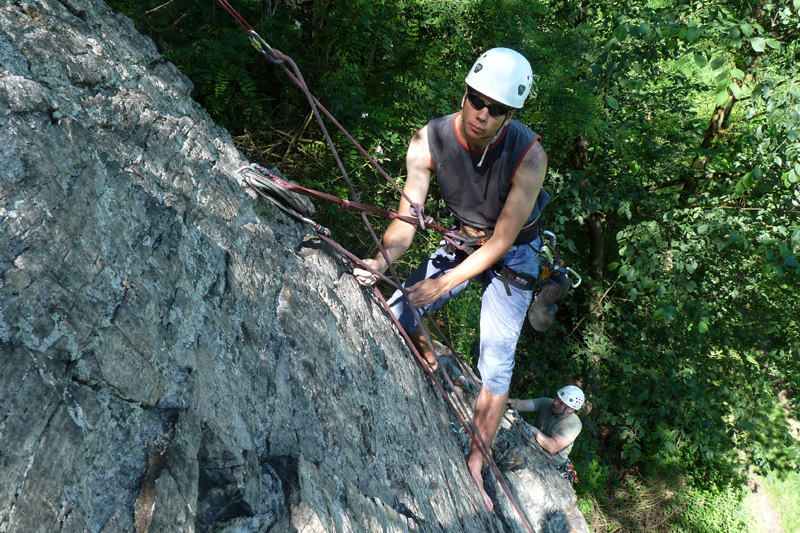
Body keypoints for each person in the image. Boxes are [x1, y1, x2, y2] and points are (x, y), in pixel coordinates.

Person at [353, 47, 549, 512]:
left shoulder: (528, 155)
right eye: (475, 99)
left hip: (514, 253)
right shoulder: (428, 142)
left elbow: (502, 241)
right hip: (465, 238)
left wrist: (442, 283)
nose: (482, 113)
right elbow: (405, 223)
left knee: (496, 364)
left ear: (511, 113)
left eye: (496, 108)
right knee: (398, 309)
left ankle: (476, 466)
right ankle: (427, 352)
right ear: (464, 91)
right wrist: (380, 263)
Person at [507, 385, 584, 476]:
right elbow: (522, 404)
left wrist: (533, 430)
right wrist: (509, 402)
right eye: (556, 398)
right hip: (534, 448)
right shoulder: (547, 403)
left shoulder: (573, 425)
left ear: (571, 409)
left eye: (561, 403)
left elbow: (552, 447)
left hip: (551, 462)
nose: (555, 402)